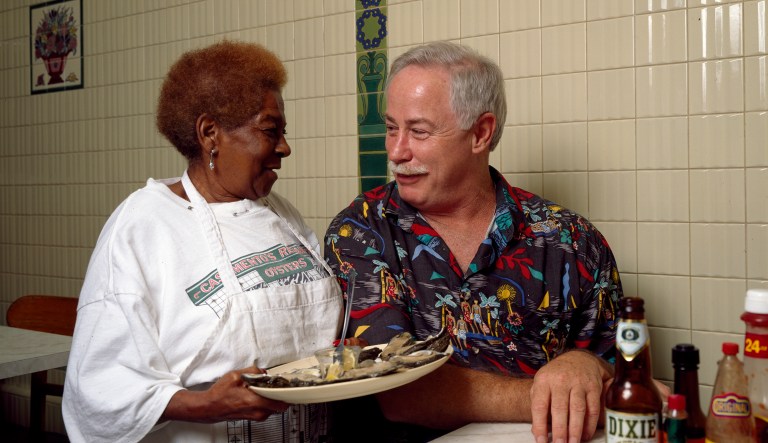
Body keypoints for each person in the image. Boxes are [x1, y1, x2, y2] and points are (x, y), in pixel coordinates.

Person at [324, 41, 642, 443]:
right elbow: (397, 389)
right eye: (391, 127)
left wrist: (584, 363)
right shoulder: (361, 231)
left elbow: (623, 377)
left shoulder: (572, 242)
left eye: (418, 131)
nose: (396, 151)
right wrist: (554, 394)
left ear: (481, 133)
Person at [63, 41, 343, 442]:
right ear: (210, 133)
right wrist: (206, 406)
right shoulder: (144, 226)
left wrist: (342, 353)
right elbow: (97, 388)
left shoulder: (281, 215)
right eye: (270, 130)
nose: (285, 147)